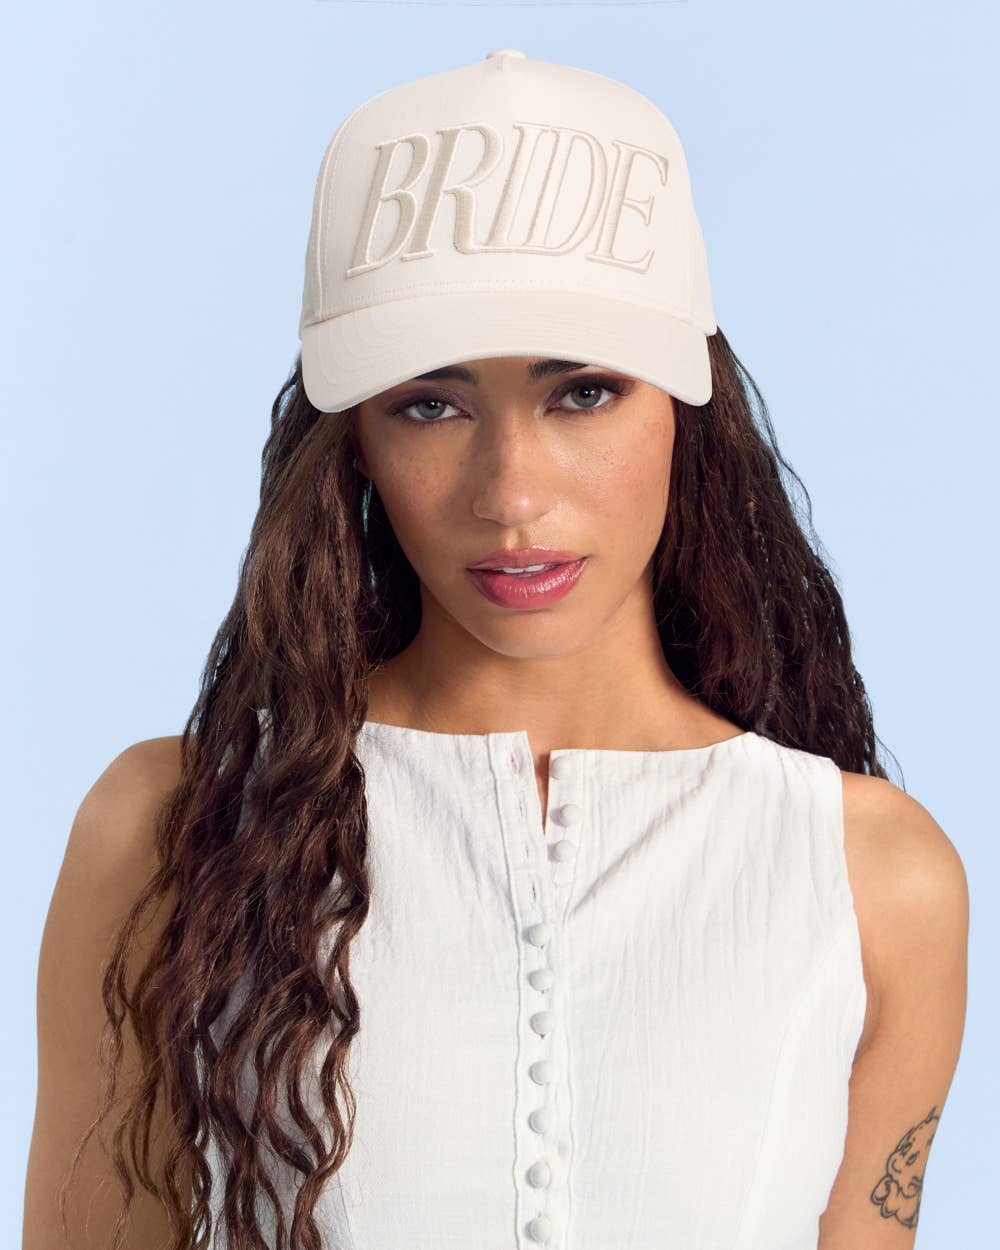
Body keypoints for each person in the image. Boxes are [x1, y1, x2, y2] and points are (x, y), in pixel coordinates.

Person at [24, 49, 968, 1250]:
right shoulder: (177, 825)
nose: (511, 494)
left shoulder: (873, 877)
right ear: (354, 441)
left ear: (688, 406)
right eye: (430, 402)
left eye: (583, 392)